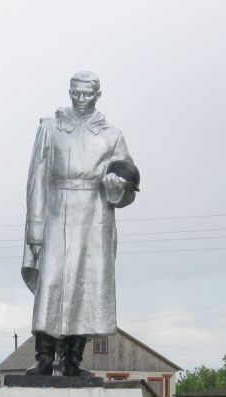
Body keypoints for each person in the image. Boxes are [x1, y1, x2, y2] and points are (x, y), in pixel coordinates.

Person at [21, 71, 139, 376]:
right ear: (69, 92)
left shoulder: (112, 134)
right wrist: (34, 228)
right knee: (51, 281)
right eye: (76, 93)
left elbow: (127, 181)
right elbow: (37, 178)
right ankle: (43, 358)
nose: (81, 99)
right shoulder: (51, 128)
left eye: (87, 93)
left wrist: (117, 186)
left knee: (86, 285)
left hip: (95, 213)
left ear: (98, 95)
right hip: (57, 210)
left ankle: (73, 361)